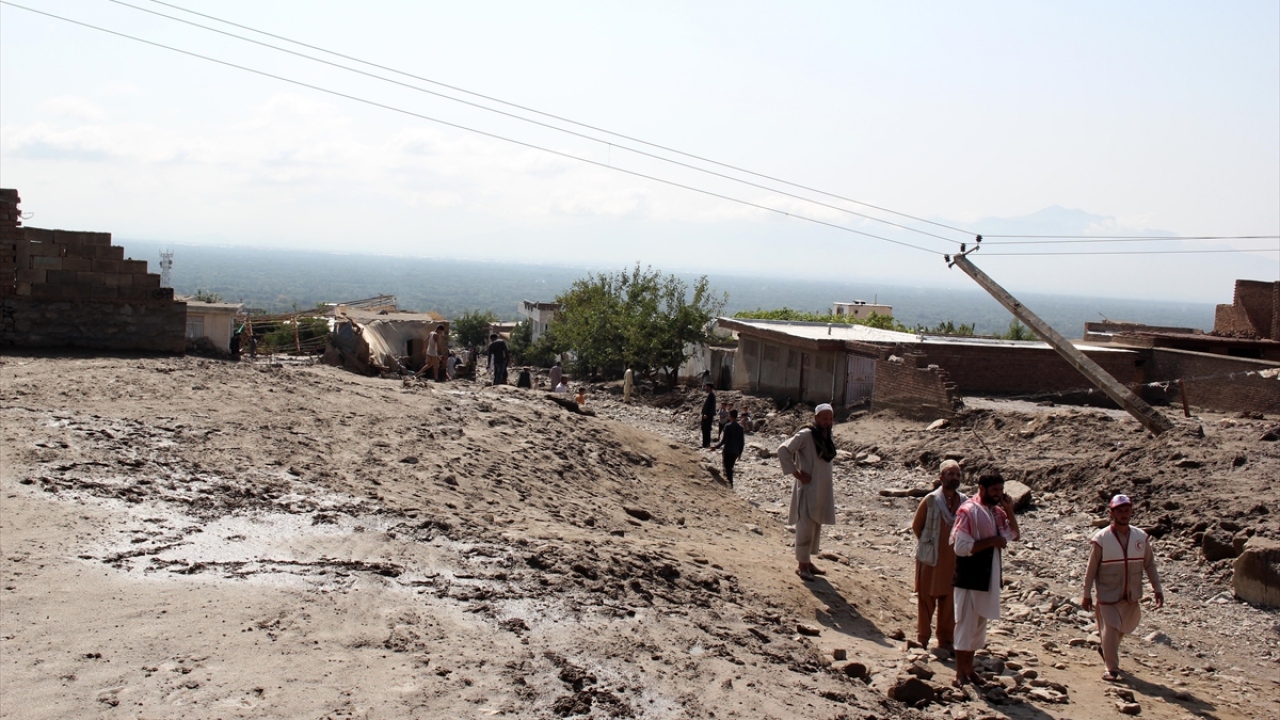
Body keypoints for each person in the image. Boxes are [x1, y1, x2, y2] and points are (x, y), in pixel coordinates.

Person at [1082, 494, 1164, 683]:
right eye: (1119, 511)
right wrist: (1086, 594)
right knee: (1111, 628)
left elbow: (1149, 564)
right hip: (1108, 592)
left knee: (1124, 627)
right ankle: (1111, 669)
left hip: (1131, 594)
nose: (1124, 514)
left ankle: (1105, 649)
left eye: (1127, 510)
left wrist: (1157, 589)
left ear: (1131, 511)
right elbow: (1091, 569)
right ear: (1112, 513)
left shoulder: (1140, 537)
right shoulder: (1101, 539)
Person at [950, 472, 1020, 687]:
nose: (998, 494)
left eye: (1001, 490)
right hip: (970, 578)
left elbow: (1014, 534)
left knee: (978, 627)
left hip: (987, 578)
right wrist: (991, 542)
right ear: (982, 489)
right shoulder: (969, 511)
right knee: (965, 624)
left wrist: (1009, 509)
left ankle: (969, 669)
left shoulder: (996, 512)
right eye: (994, 490)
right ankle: (959, 674)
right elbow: (961, 547)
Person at [912, 460, 967, 655]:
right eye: (951, 474)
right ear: (941, 477)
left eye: (957, 475)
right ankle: (922, 638)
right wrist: (930, 543)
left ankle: (946, 640)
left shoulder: (964, 503)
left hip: (954, 561)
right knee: (926, 599)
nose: (955, 478)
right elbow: (917, 526)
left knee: (949, 601)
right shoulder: (931, 500)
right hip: (930, 559)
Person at [777, 403, 837, 582]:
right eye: (824, 418)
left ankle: (807, 562)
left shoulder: (825, 436)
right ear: (816, 418)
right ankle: (801, 566)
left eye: (830, 419)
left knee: (815, 525)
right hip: (808, 489)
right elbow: (783, 450)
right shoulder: (806, 434)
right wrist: (796, 473)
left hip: (821, 489)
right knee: (805, 526)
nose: (827, 422)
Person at [711, 409, 745, 487]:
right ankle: (730, 483)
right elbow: (742, 442)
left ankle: (729, 484)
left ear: (730, 416)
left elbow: (724, 440)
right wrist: (740, 453)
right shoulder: (740, 428)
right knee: (730, 467)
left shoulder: (727, 426)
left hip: (728, 450)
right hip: (735, 451)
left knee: (726, 468)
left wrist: (716, 447)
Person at [699, 382, 717, 448]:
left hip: (708, 416)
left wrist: (707, 414)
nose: (705, 388)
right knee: (704, 429)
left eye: (706, 387)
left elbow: (711, 407)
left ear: (709, 387)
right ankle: (705, 443)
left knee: (706, 429)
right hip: (706, 415)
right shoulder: (710, 395)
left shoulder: (712, 396)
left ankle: (706, 444)